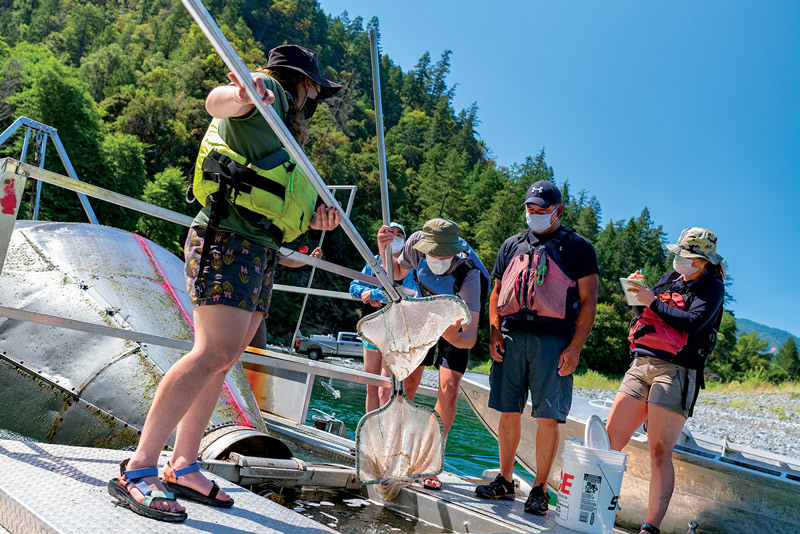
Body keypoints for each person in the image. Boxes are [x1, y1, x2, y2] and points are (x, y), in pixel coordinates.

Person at [107, 44, 342, 522]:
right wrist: (242, 96)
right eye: (317, 87)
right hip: (227, 240)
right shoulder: (268, 90)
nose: (317, 96)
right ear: (302, 81)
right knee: (210, 353)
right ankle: (138, 467)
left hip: (257, 248)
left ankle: (184, 463)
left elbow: (275, 201)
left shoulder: (282, 136)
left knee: (225, 358)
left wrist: (315, 223)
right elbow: (219, 101)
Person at [475, 180, 599, 516]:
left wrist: (575, 347)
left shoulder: (578, 247)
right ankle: (504, 480)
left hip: (554, 341)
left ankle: (540, 489)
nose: (534, 215)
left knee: (548, 417)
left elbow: (589, 302)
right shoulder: (512, 245)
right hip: (512, 336)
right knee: (508, 411)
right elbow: (496, 293)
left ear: (557, 210)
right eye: (530, 209)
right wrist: (494, 332)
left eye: (542, 210)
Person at [605, 228, 725, 534]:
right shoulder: (669, 280)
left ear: (702, 261)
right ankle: (598, 506)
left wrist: (652, 301)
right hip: (641, 363)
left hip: (677, 372)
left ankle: (650, 527)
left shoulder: (712, 288)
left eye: (686, 256)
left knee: (659, 449)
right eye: (678, 254)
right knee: (610, 440)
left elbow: (693, 322)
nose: (679, 260)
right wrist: (636, 294)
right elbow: (643, 312)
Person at [376, 217, 489, 490]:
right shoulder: (415, 243)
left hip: (454, 322)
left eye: (443, 255)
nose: (436, 258)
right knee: (407, 380)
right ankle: (395, 450)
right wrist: (383, 249)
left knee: (449, 388)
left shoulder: (470, 274)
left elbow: (469, 338)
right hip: (422, 311)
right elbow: (396, 274)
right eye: (431, 253)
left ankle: (430, 460)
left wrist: (450, 333)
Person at [349, 222, 420, 412]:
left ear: (405, 240)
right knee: (371, 387)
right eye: (390, 233)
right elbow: (354, 287)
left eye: (399, 234)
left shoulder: (410, 264)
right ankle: (370, 433)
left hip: (396, 331)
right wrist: (367, 293)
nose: (394, 236)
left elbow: (408, 293)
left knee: (385, 390)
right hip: (373, 327)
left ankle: (384, 435)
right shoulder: (373, 262)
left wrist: (375, 294)